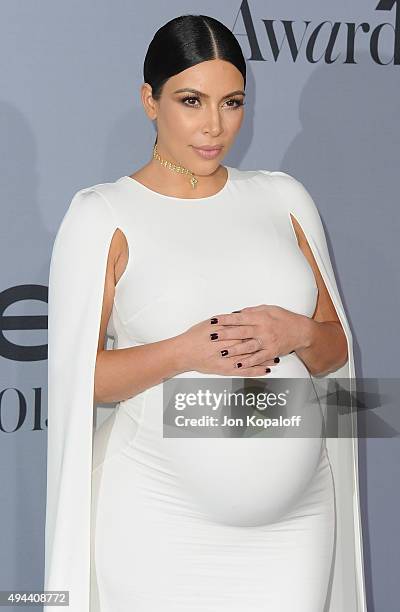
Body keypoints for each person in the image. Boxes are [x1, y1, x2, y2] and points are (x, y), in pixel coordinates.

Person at [44, 13, 367, 612]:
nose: (215, 126)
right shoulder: (104, 214)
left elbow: (334, 351)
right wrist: (184, 352)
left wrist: (294, 331)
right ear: (149, 99)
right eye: (191, 101)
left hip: (296, 524)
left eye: (232, 102)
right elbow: (76, 379)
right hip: (157, 522)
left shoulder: (283, 197)